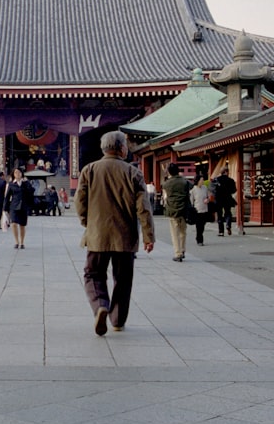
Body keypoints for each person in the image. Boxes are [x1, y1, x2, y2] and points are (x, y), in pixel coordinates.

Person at [76, 130, 155, 336]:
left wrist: (87, 222)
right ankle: (118, 320)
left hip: (97, 234)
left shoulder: (89, 170)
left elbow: (80, 202)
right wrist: (148, 236)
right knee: (123, 278)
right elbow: (143, 208)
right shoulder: (133, 172)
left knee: (93, 274)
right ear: (121, 148)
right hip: (125, 235)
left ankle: (101, 304)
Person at [161, 163, 191, 262]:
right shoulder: (185, 182)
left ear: (169, 172)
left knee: (175, 232)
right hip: (184, 209)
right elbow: (190, 187)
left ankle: (177, 253)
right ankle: (182, 250)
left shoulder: (166, 184)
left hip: (172, 209)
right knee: (183, 231)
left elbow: (165, 197)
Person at [4, 167, 34, 249]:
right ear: (13, 174)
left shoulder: (25, 183)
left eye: (19, 172)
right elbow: (7, 197)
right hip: (13, 206)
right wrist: (5, 209)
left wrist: (27, 182)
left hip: (23, 206)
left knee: (22, 225)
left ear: (22, 174)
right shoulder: (11, 184)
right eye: (16, 172)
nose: (17, 174)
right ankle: (16, 241)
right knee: (13, 224)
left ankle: (22, 242)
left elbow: (31, 192)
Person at [212, 167, 238, 236]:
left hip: (218, 199)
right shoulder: (231, 180)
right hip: (227, 198)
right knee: (228, 212)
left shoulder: (216, 180)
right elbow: (234, 190)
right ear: (226, 172)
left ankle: (221, 231)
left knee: (219, 215)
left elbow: (212, 189)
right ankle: (228, 225)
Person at [190, 174, 210, 246]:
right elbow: (191, 201)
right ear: (198, 181)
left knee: (203, 225)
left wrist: (207, 200)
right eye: (202, 180)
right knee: (199, 226)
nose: (203, 181)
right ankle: (199, 240)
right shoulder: (193, 190)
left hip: (205, 208)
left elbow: (208, 196)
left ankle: (199, 236)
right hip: (197, 210)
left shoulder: (205, 188)